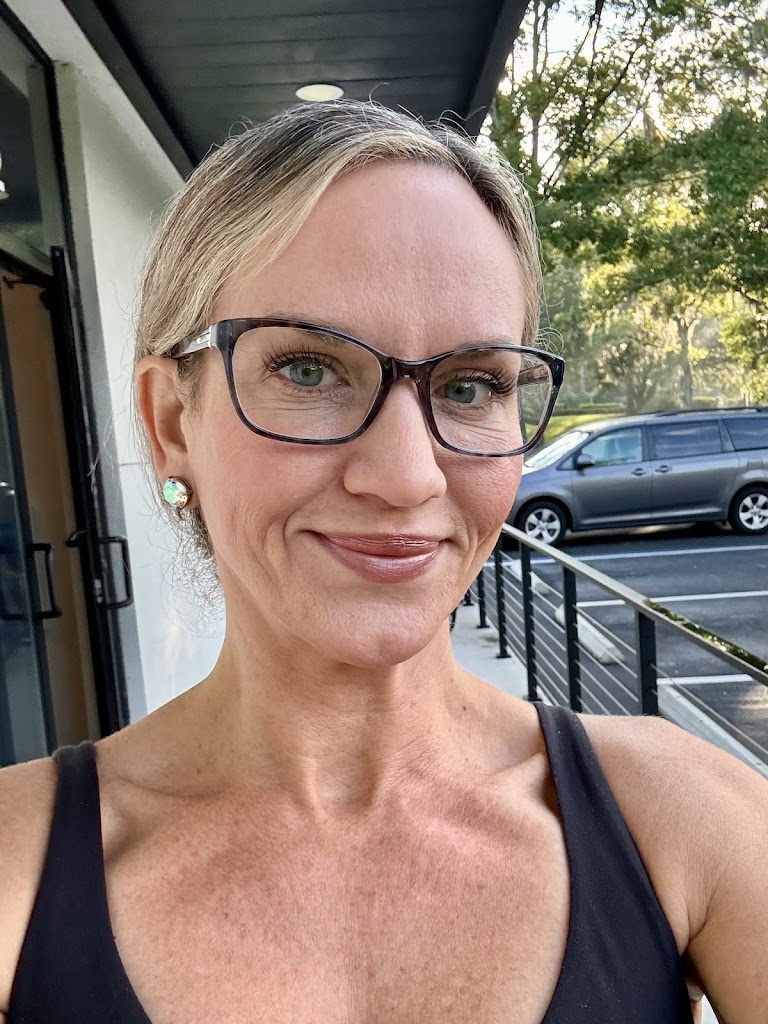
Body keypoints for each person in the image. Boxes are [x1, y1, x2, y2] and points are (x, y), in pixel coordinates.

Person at [0, 100, 766, 1024]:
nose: (407, 476)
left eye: (471, 384)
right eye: (309, 370)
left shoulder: (680, 816)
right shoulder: (20, 867)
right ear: (172, 425)